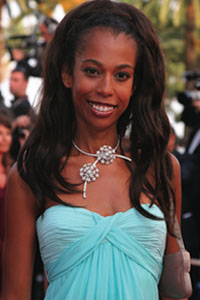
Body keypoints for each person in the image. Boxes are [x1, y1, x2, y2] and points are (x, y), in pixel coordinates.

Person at [3, 1, 184, 299]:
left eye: (122, 75)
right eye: (92, 70)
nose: (106, 89)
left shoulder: (161, 168)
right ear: (67, 74)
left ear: (135, 84)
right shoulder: (32, 174)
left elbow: (176, 293)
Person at [0, 114, 13, 298]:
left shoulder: (15, 169)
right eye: (0, 133)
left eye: (8, 133)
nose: (4, 138)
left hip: (11, 246)